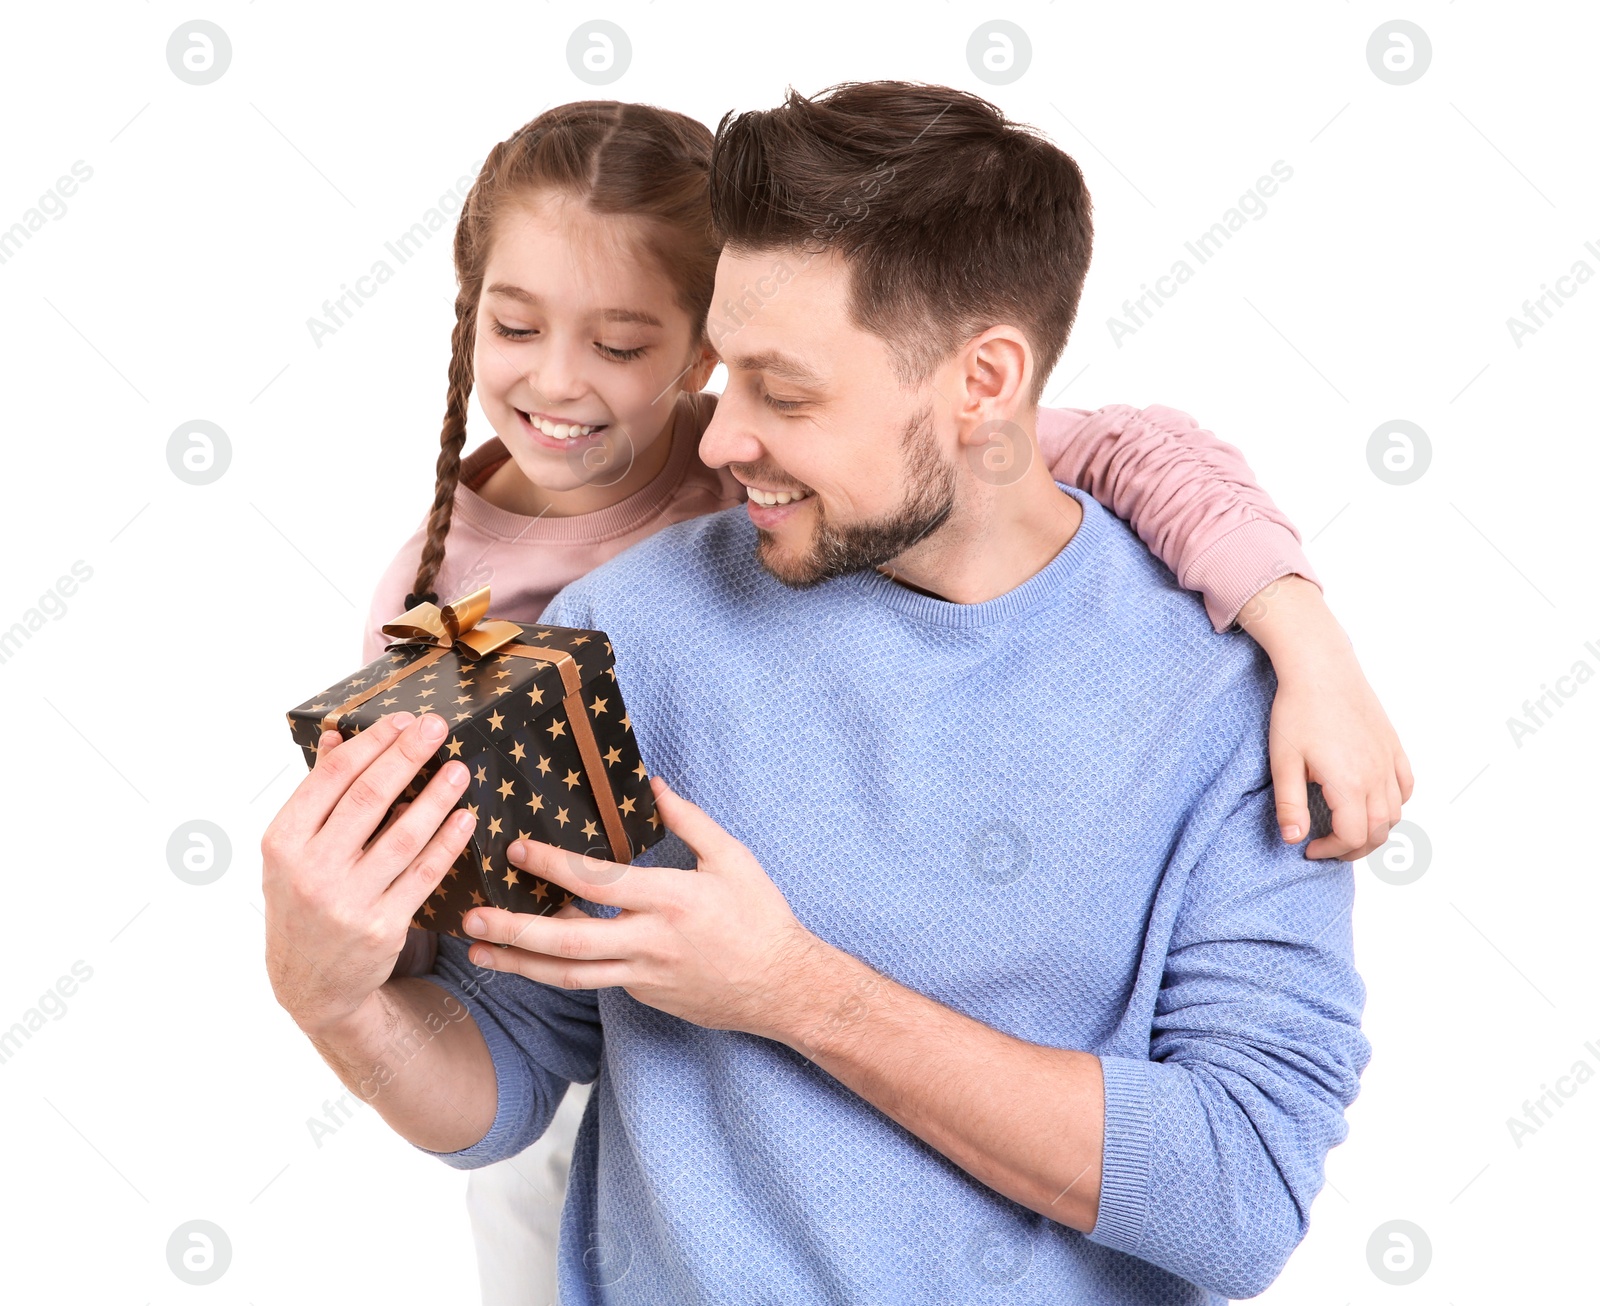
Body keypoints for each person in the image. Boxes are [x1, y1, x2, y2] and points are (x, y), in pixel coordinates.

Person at [267, 88, 1392, 1303]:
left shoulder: (1233, 699)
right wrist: (333, 998)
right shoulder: (624, 632)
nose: (712, 438)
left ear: (985, 384)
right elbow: (514, 1057)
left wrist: (795, 992)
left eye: (784, 393)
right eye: (726, 373)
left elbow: (1238, 1198)